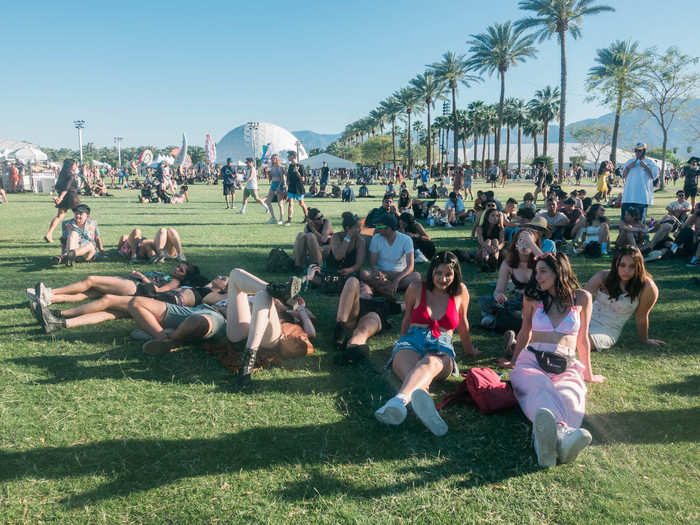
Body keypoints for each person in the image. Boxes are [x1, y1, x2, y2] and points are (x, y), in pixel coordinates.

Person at [506, 253, 604, 467]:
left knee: (570, 398)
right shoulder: (532, 297)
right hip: (532, 361)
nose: (537, 277)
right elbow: (524, 332)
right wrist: (514, 361)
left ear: (559, 271)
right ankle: (562, 436)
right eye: (536, 272)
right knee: (539, 388)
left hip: (566, 365)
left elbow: (583, 339)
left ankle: (546, 443)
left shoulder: (582, 298)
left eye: (543, 271)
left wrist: (587, 373)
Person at [374, 251, 479, 436]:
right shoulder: (416, 287)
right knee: (413, 371)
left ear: (456, 275)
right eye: (438, 273)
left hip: (442, 343)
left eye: (448, 274)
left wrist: (469, 349)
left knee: (429, 364)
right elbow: (407, 319)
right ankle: (420, 402)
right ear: (431, 272)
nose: (443, 278)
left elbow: (463, 322)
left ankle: (399, 401)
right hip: (412, 339)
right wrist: (400, 342)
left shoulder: (460, 291)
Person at [226, 269, 311, 386]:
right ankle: (278, 290)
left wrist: (301, 309)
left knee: (264, 294)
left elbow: (311, 333)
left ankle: (247, 365)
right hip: (244, 331)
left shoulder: (295, 307)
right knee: (235, 274)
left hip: (270, 339)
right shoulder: (285, 301)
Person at [584, 246, 664, 351]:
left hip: (607, 330)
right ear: (616, 264)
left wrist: (645, 340)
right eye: (622, 265)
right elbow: (580, 300)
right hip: (585, 320)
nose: (626, 270)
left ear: (639, 266)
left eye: (632, 266)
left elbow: (642, 316)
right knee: (563, 334)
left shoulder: (647, 287)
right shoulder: (603, 276)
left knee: (581, 340)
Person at [33, 263, 206, 306]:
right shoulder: (170, 275)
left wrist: (141, 276)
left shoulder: (175, 281)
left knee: (91, 280)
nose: (177, 269)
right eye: (178, 266)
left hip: (135, 287)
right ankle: (50, 299)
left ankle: (49, 291)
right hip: (132, 285)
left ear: (184, 277)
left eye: (181, 270)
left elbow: (158, 290)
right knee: (90, 292)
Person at [479, 228, 546, 334]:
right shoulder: (508, 264)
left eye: (528, 241)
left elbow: (551, 265)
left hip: (538, 303)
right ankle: (503, 318)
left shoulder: (541, 262)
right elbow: (499, 290)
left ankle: (496, 321)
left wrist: (532, 245)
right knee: (484, 301)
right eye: (521, 240)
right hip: (518, 302)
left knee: (521, 318)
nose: (525, 244)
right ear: (516, 244)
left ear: (535, 245)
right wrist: (499, 295)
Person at [333, 276, 403, 363]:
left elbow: (410, 305)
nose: (361, 287)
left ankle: (353, 348)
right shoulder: (359, 294)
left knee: (365, 327)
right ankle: (340, 331)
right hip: (353, 313)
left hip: (373, 315)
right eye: (360, 286)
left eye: (364, 286)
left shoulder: (386, 302)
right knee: (352, 280)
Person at [360, 214, 421, 296]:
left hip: (400, 274)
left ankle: (381, 287)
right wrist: (377, 272)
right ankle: (390, 288)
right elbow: (373, 263)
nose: (377, 229)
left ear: (388, 228)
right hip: (382, 273)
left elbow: (410, 266)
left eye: (380, 227)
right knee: (364, 273)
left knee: (416, 276)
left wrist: (397, 280)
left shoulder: (406, 240)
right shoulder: (376, 238)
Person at [44, 159, 80, 243]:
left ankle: (49, 234)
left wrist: (60, 197)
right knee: (80, 215)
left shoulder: (62, 174)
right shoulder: (70, 175)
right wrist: (60, 198)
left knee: (59, 216)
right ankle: (79, 235)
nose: (76, 165)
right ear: (71, 165)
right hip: (72, 197)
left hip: (64, 197)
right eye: (75, 164)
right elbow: (66, 188)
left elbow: (57, 186)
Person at [621, 143, 658, 222]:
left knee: (640, 222)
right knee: (624, 221)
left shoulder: (651, 162)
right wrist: (628, 168)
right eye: (636, 150)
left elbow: (653, 177)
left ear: (644, 151)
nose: (637, 152)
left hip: (642, 198)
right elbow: (623, 176)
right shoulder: (629, 162)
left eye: (639, 151)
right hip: (628, 197)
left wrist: (646, 167)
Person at [324, 212, 366, 276]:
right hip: (332, 271)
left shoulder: (360, 241)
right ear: (347, 228)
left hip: (350, 272)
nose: (360, 230)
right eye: (357, 227)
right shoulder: (336, 237)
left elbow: (359, 264)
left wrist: (350, 270)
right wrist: (348, 236)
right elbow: (338, 256)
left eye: (360, 227)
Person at [117, 227, 187, 263]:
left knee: (168, 230)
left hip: (159, 250)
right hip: (140, 251)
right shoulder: (128, 241)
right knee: (164, 230)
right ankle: (179, 255)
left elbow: (150, 251)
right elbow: (123, 238)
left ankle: (178, 254)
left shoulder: (135, 241)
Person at [285, 151, 308, 224]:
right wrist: (287, 182)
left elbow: (303, 179)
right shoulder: (290, 166)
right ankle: (289, 220)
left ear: (293, 156)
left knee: (301, 203)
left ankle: (307, 217)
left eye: (289, 155)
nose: (288, 157)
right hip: (291, 187)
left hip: (299, 188)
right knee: (290, 204)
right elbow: (288, 176)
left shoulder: (300, 166)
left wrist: (297, 172)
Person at [264, 153, 287, 225]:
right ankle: (273, 218)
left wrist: (279, 187)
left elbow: (282, 178)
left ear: (277, 159)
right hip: (273, 185)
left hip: (279, 185)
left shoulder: (280, 167)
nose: (271, 159)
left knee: (280, 203)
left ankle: (281, 219)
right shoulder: (272, 166)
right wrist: (268, 174)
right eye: (271, 158)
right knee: (268, 201)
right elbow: (271, 176)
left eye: (273, 158)